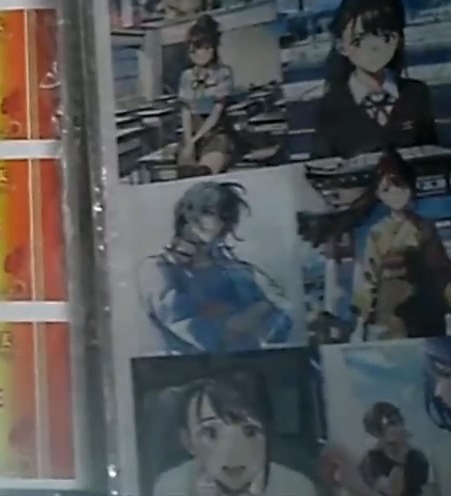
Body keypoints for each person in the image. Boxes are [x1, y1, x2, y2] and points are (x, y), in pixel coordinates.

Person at [138, 181, 293, 354]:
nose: (215, 222)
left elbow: (280, 323)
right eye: (208, 212)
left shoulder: (236, 270)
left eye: (223, 217)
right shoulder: (157, 269)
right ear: (186, 213)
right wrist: (258, 310)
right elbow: (202, 334)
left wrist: (260, 309)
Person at [312, 0, 437, 159]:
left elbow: (434, 159)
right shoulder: (331, 106)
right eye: (359, 39)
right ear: (341, 46)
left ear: (399, 39)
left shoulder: (416, 94)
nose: (374, 48)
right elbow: (321, 167)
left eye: (386, 36)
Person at [354, 150, 451, 341]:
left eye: (399, 185)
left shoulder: (425, 227)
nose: (395, 193)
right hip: (390, 312)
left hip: (425, 308)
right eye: (386, 189)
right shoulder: (377, 233)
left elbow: (442, 271)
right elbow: (369, 276)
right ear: (378, 194)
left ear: (410, 187)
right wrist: (362, 320)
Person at [151, 374, 317, 495]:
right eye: (211, 433)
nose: (233, 455)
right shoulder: (171, 488)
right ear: (188, 441)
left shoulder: (296, 488)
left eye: (250, 432)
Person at [177, 15, 240, 177]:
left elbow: (216, 113)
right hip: (192, 130)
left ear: (211, 48)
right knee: (185, 173)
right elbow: (186, 110)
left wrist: (195, 140)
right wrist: (188, 141)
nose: (193, 51)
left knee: (204, 172)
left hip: (215, 131)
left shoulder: (223, 73)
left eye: (198, 46)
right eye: (191, 46)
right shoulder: (187, 76)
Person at [357, 402, 433, 496]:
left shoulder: (417, 458)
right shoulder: (370, 461)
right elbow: (391, 490)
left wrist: (402, 449)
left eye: (395, 423)